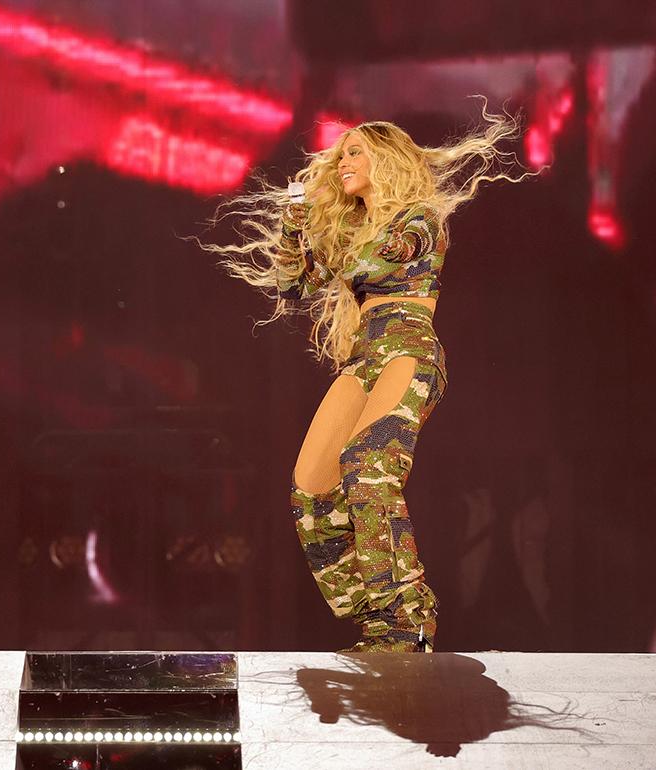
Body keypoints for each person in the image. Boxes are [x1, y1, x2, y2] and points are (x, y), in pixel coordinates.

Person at [205, 108, 531, 651]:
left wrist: (318, 233)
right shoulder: (352, 231)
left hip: (410, 349)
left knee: (367, 464)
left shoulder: (419, 222)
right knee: (311, 486)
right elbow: (292, 290)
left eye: (354, 151)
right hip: (365, 356)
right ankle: (377, 619)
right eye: (339, 155)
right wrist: (292, 225)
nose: (340, 163)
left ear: (387, 159)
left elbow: (368, 267)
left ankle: (409, 615)